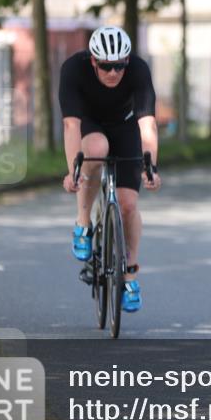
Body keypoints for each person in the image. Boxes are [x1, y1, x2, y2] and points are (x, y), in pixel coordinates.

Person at [59, 25, 161, 312]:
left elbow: (147, 125)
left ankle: (129, 275)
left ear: (127, 61)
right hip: (89, 124)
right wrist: (73, 172)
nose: (113, 73)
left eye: (119, 66)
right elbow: (71, 125)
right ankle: (83, 222)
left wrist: (149, 166)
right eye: (106, 66)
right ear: (93, 61)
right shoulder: (73, 70)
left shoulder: (139, 70)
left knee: (129, 204)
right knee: (96, 150)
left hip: (126, 126)